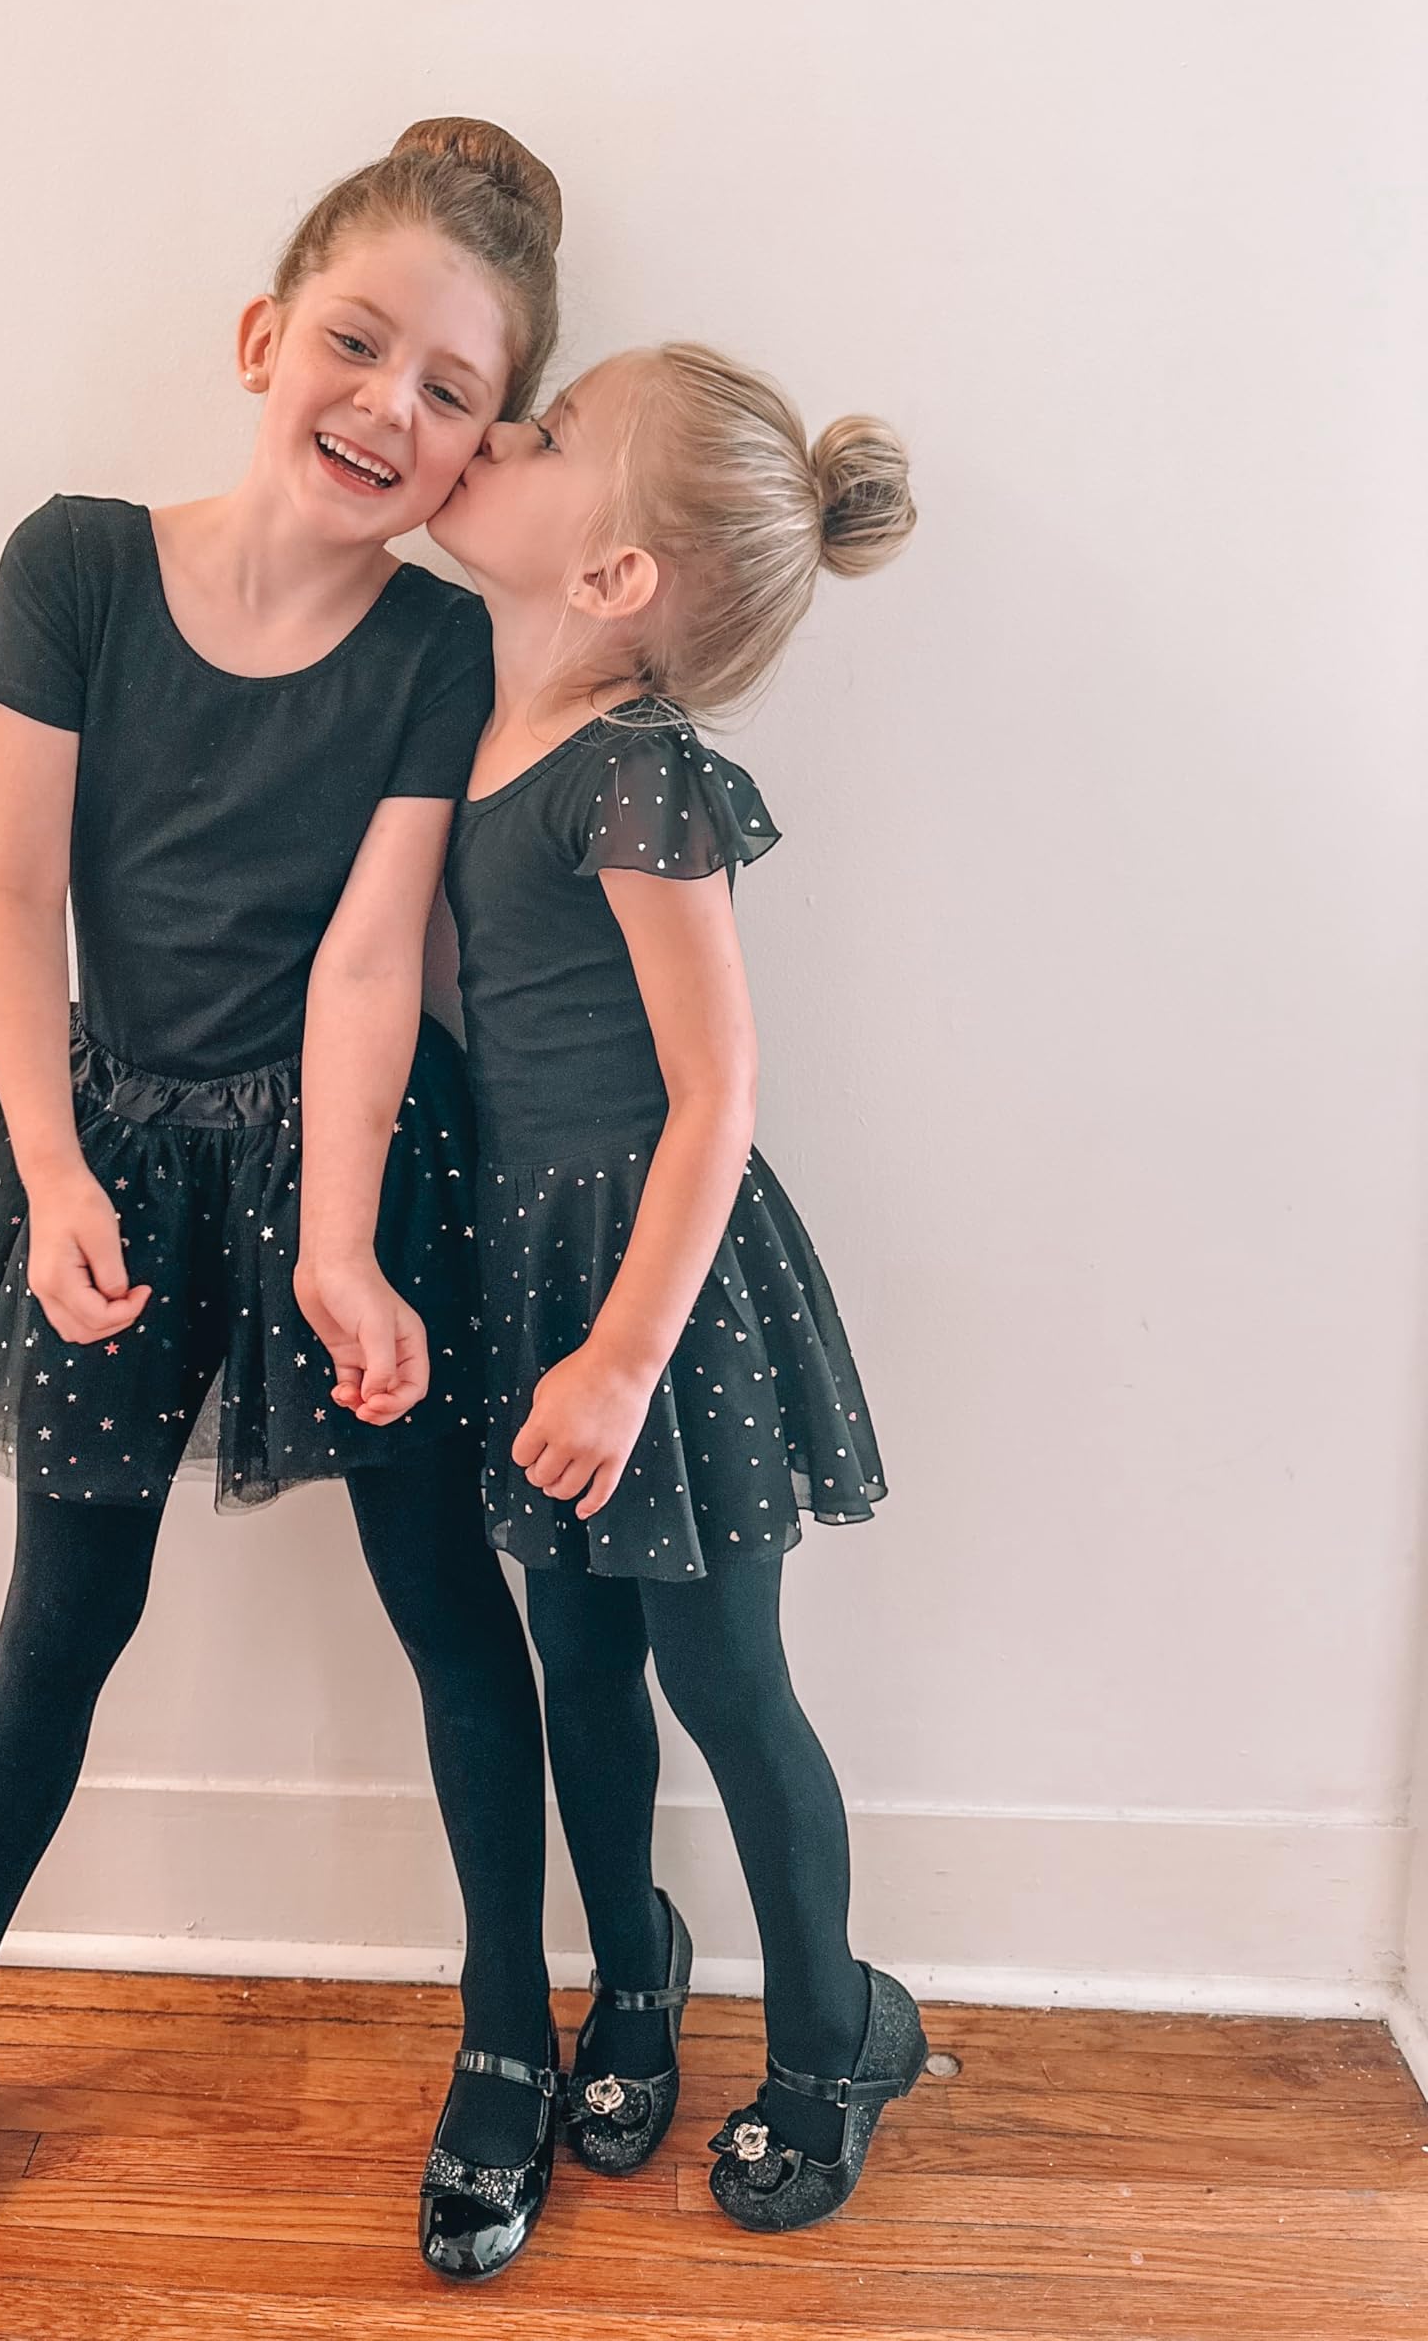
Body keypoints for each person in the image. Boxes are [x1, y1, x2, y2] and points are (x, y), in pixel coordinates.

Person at [0, 118, 564, 2329]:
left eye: (449, 389)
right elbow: (11, 889)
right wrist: (52, 1171)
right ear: (263, 336)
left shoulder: (437, 649)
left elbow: (372, 958)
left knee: (445, 1597)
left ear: (480, 444)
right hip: (110, 1154)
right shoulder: (75, 567)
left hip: (356, 1161)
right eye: (358, 343)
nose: (388, 407)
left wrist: (340, 1239)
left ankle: (507, 2026)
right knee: (61, 1614)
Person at [411, 340, 925, 2238]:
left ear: (613, 573)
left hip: (659, 1299)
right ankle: (634, 1971)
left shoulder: (635, 774)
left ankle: (831, 2037)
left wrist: (626, 1356)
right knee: (578, 1660)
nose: (493, 435)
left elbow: (718, 1090)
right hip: (531, 1272)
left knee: (722, 1675)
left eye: (541, 433)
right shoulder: (473, 726)